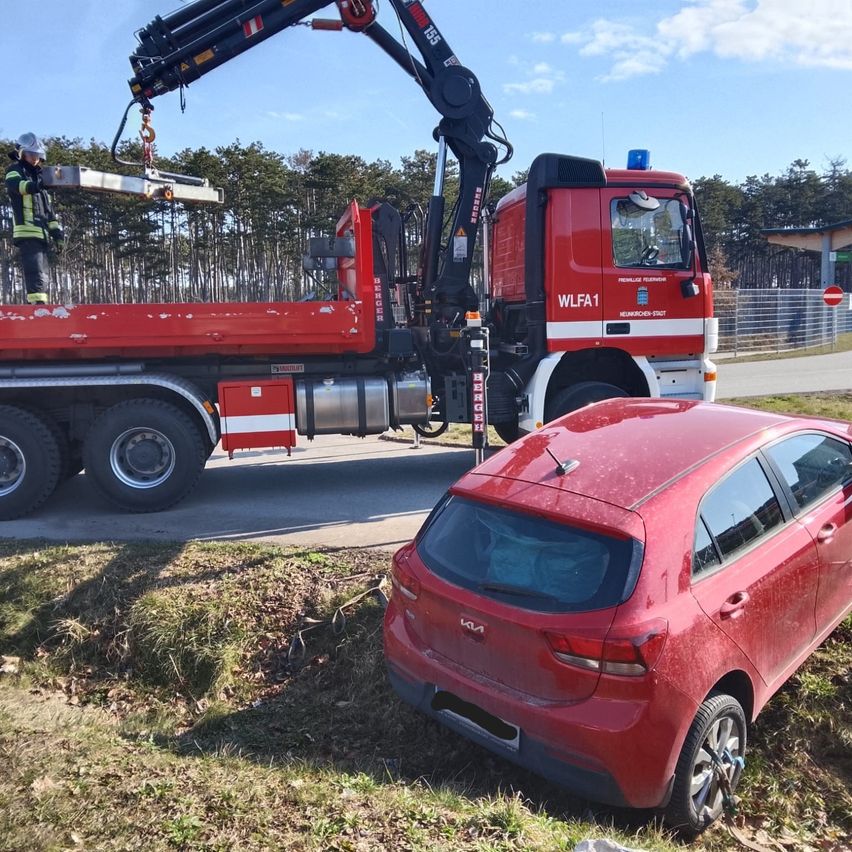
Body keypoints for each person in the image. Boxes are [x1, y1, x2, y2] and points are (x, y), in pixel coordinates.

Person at [5, 133, 64, 305]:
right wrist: (37, 185)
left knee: (43, 273)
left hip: (42, 234)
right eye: (31, 155)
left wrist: (57, 235)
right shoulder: (14, 170)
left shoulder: (39, 179)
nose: (35, 159)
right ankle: (37, 307)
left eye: (37, 155)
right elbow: (18, 187)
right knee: (35, 271)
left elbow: (49, 213)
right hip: (27, 231)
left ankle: (40, 304)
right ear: (22, 154)